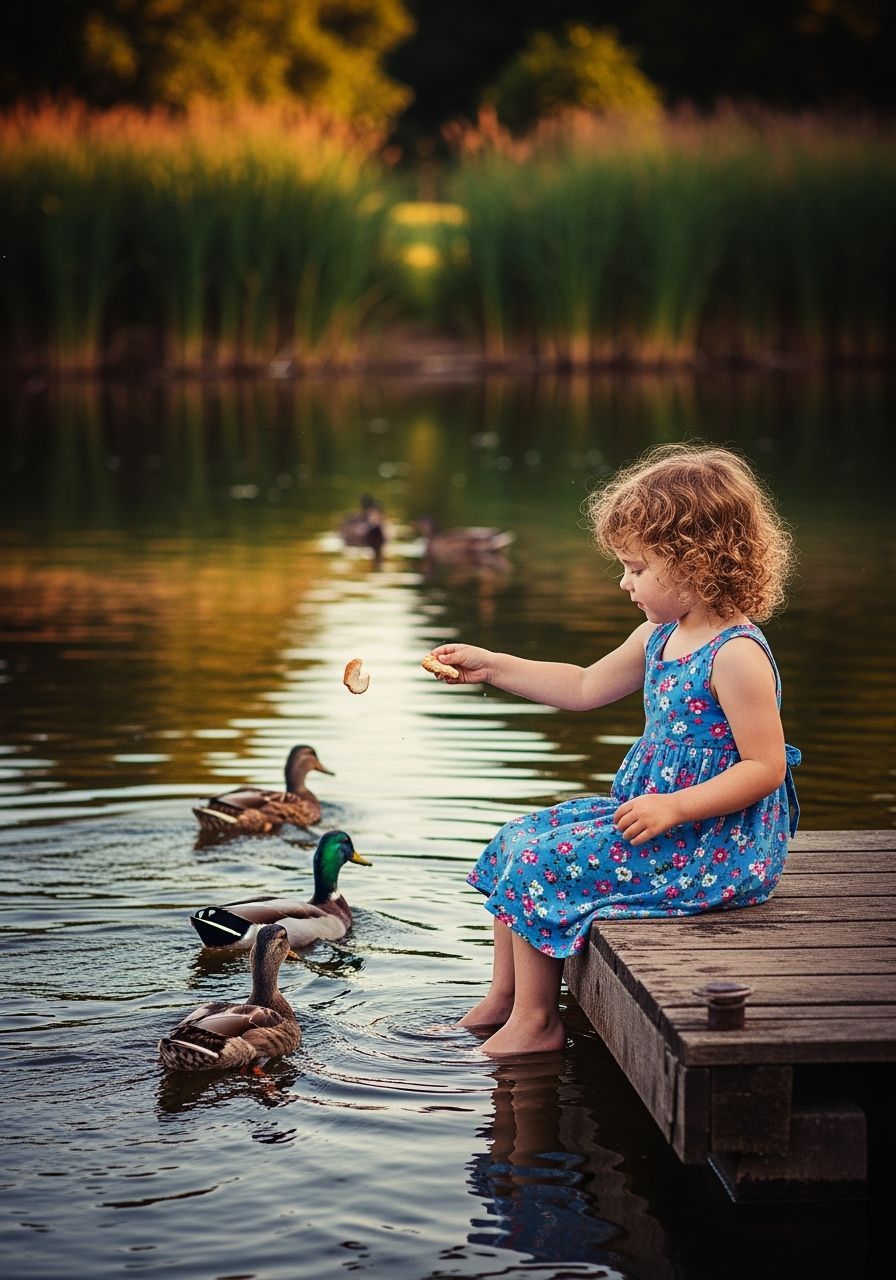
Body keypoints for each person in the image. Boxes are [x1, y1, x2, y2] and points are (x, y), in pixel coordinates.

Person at [429, 443, 800, 1056]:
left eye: (636, 567)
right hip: (658, 821)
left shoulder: (735, 655)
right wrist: (493, 666)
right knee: (518, 837)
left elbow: (765, 767)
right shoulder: (659, 633)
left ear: (696, 562)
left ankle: (537, 1022)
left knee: (542, 863)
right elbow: (582, 686)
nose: (624, 582)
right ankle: (504, 998)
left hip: (714, 845)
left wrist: (675, 807)